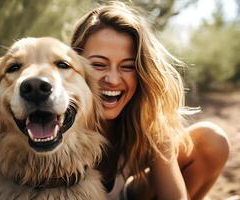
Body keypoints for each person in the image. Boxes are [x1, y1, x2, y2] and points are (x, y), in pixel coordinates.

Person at [70, 2, 230, 200]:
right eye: (98, 65)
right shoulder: (56, 125)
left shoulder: (147, 120)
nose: (112, 79)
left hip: (130, 194)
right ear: (73, 67)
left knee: (211, 140)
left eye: (127, 67)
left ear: (141, 73)